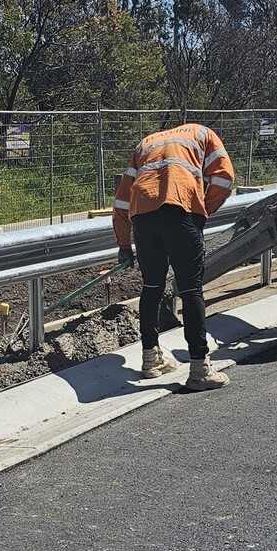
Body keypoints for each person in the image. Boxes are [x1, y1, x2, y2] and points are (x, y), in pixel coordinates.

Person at [113, 121, 236, 390]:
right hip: (180, 209)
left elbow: (122, 200)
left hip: (144, 216)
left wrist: (124, 244)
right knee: (191, 289)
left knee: (152, 286)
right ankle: (200, 367)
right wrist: (202, 212)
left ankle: (150, 359)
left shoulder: (146, 142)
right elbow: (224, 178)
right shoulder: (202, 133)